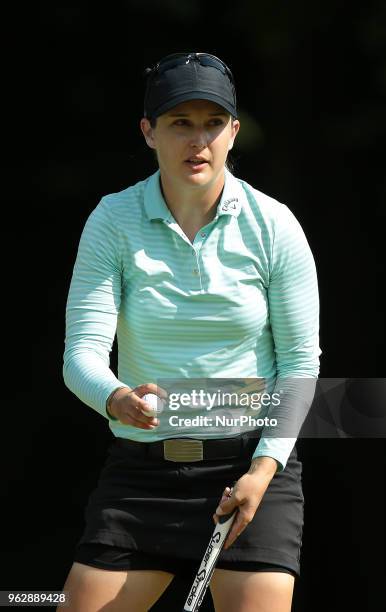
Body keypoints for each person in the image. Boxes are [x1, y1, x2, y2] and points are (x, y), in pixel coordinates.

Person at [58, 52, 321, 612]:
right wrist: (115, 398)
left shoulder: (274, 225)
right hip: (143, 473)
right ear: (149, 132)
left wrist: (263, 470)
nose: (197, 140)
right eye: (180, 123)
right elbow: (80, 353)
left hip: (251, 467)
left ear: (233, 132)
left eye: (212, 123)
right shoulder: (113, 219)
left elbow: (300, 363)